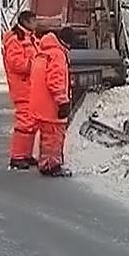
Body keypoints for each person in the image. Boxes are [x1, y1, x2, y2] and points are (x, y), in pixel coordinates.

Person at [29, 27, 73, 177]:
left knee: (47, 136)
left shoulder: (43, 52)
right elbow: (55, 81)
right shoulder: (57, 55)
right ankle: (52, 166)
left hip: (40, 103)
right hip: (51, 104)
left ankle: (45, 163)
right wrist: (62, 101)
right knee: (54, 136)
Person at [2, 10, 39, 170]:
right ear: (25, 21)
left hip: (30, 86)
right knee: (24, 122)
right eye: (33, 20)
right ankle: (17, 156)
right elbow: (16, 63)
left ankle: (26, 154)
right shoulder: (15, 40)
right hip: (22, 86)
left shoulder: (30, 38)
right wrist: (35, 65)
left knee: (31, 122)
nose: (36, 23)